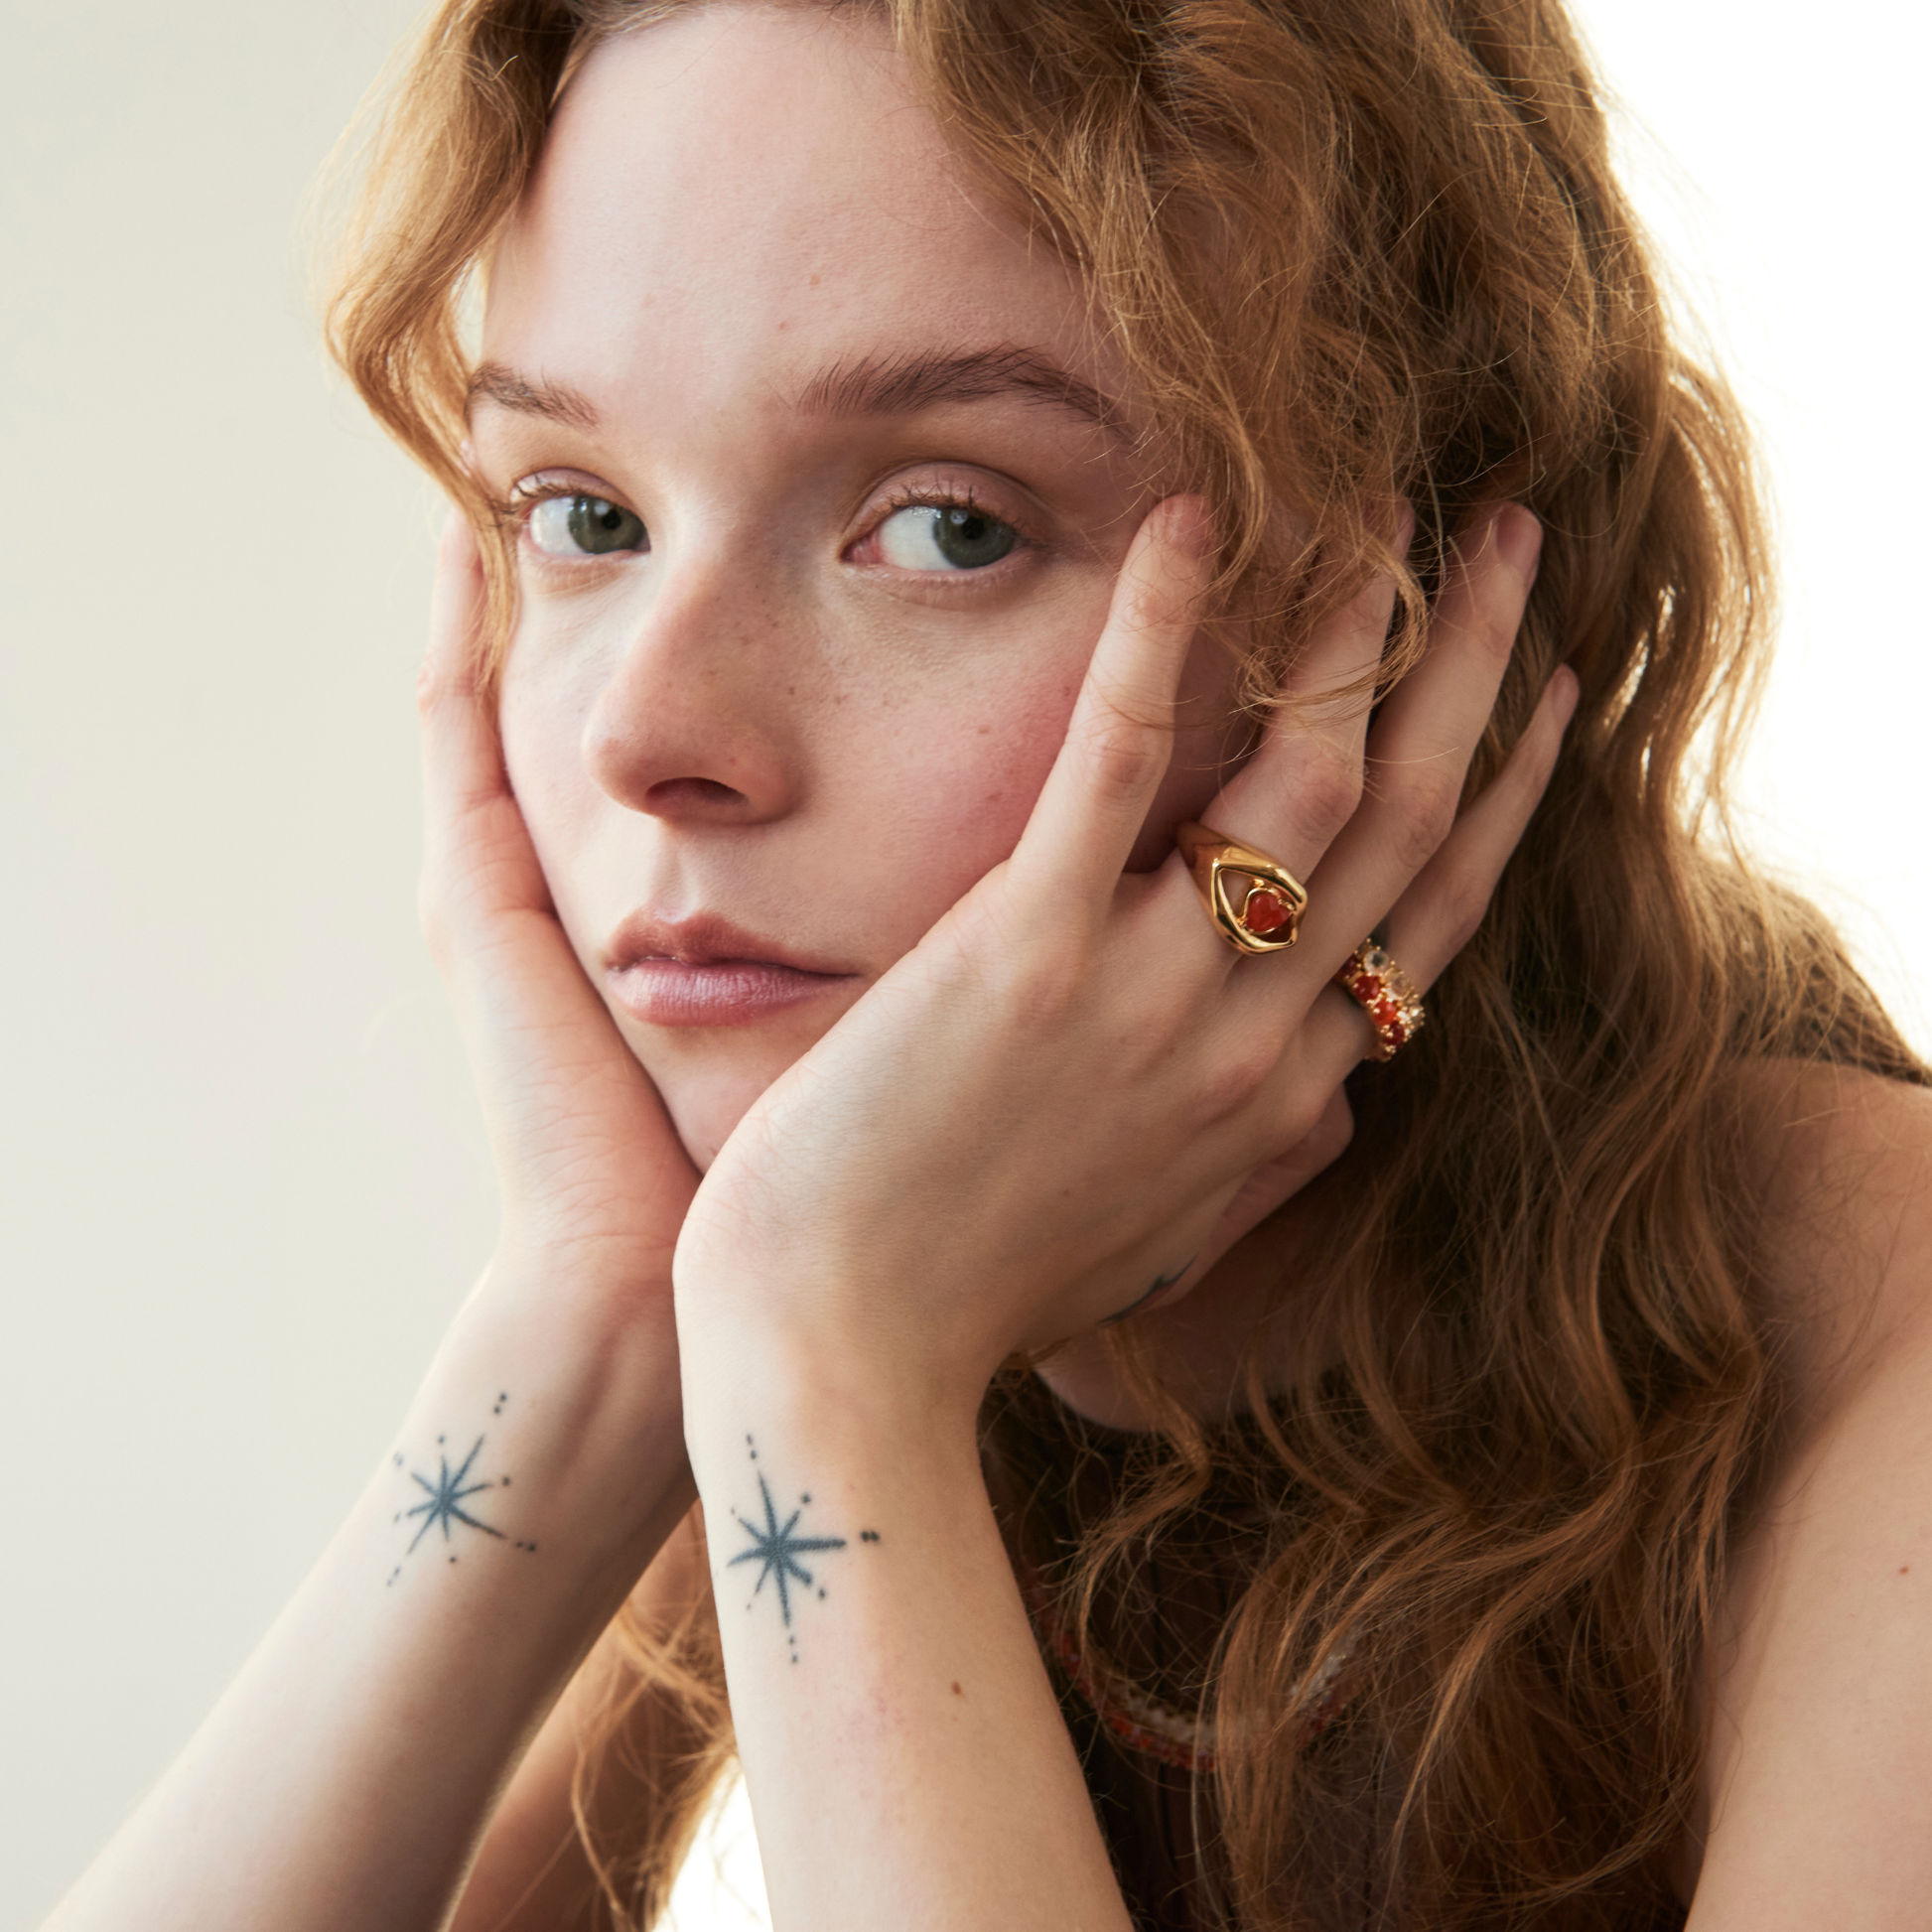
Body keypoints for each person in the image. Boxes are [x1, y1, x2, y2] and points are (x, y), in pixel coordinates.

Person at [42, 1, 1932, 1928]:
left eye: (948, 525)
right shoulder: (848, 1255)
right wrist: (593, 1316)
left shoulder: (1883, 1333)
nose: (647, 732)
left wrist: (828, 1348)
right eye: (584, 516)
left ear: (1418, 611)